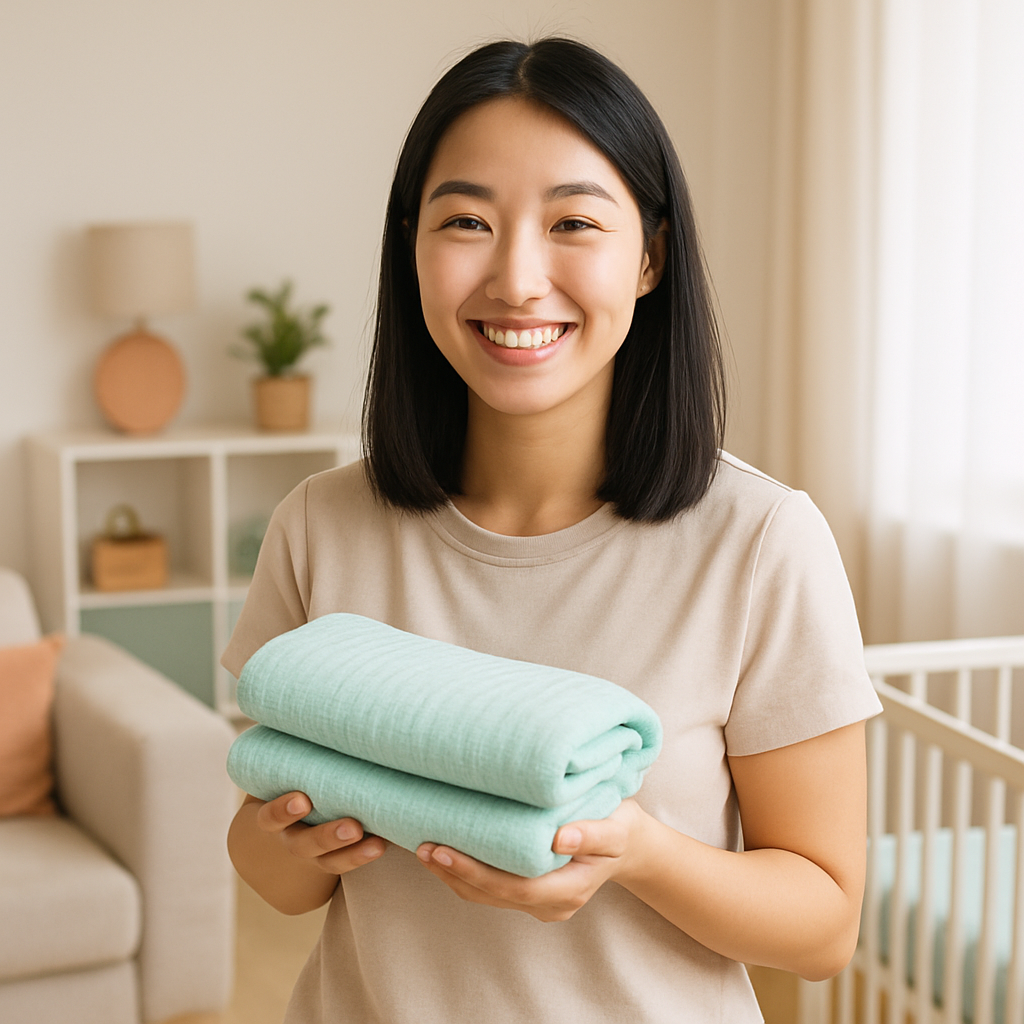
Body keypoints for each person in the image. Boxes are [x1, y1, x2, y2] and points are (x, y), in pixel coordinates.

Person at [224, 37, 883, 1024]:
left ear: (650, 255)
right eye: (466, 222)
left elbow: (824, 925)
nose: (517, 279)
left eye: (573, 220)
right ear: (411, 246)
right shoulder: (321, 525)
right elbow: (270, 872)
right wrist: (289, 837)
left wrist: (640, 855)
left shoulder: (760, 541)